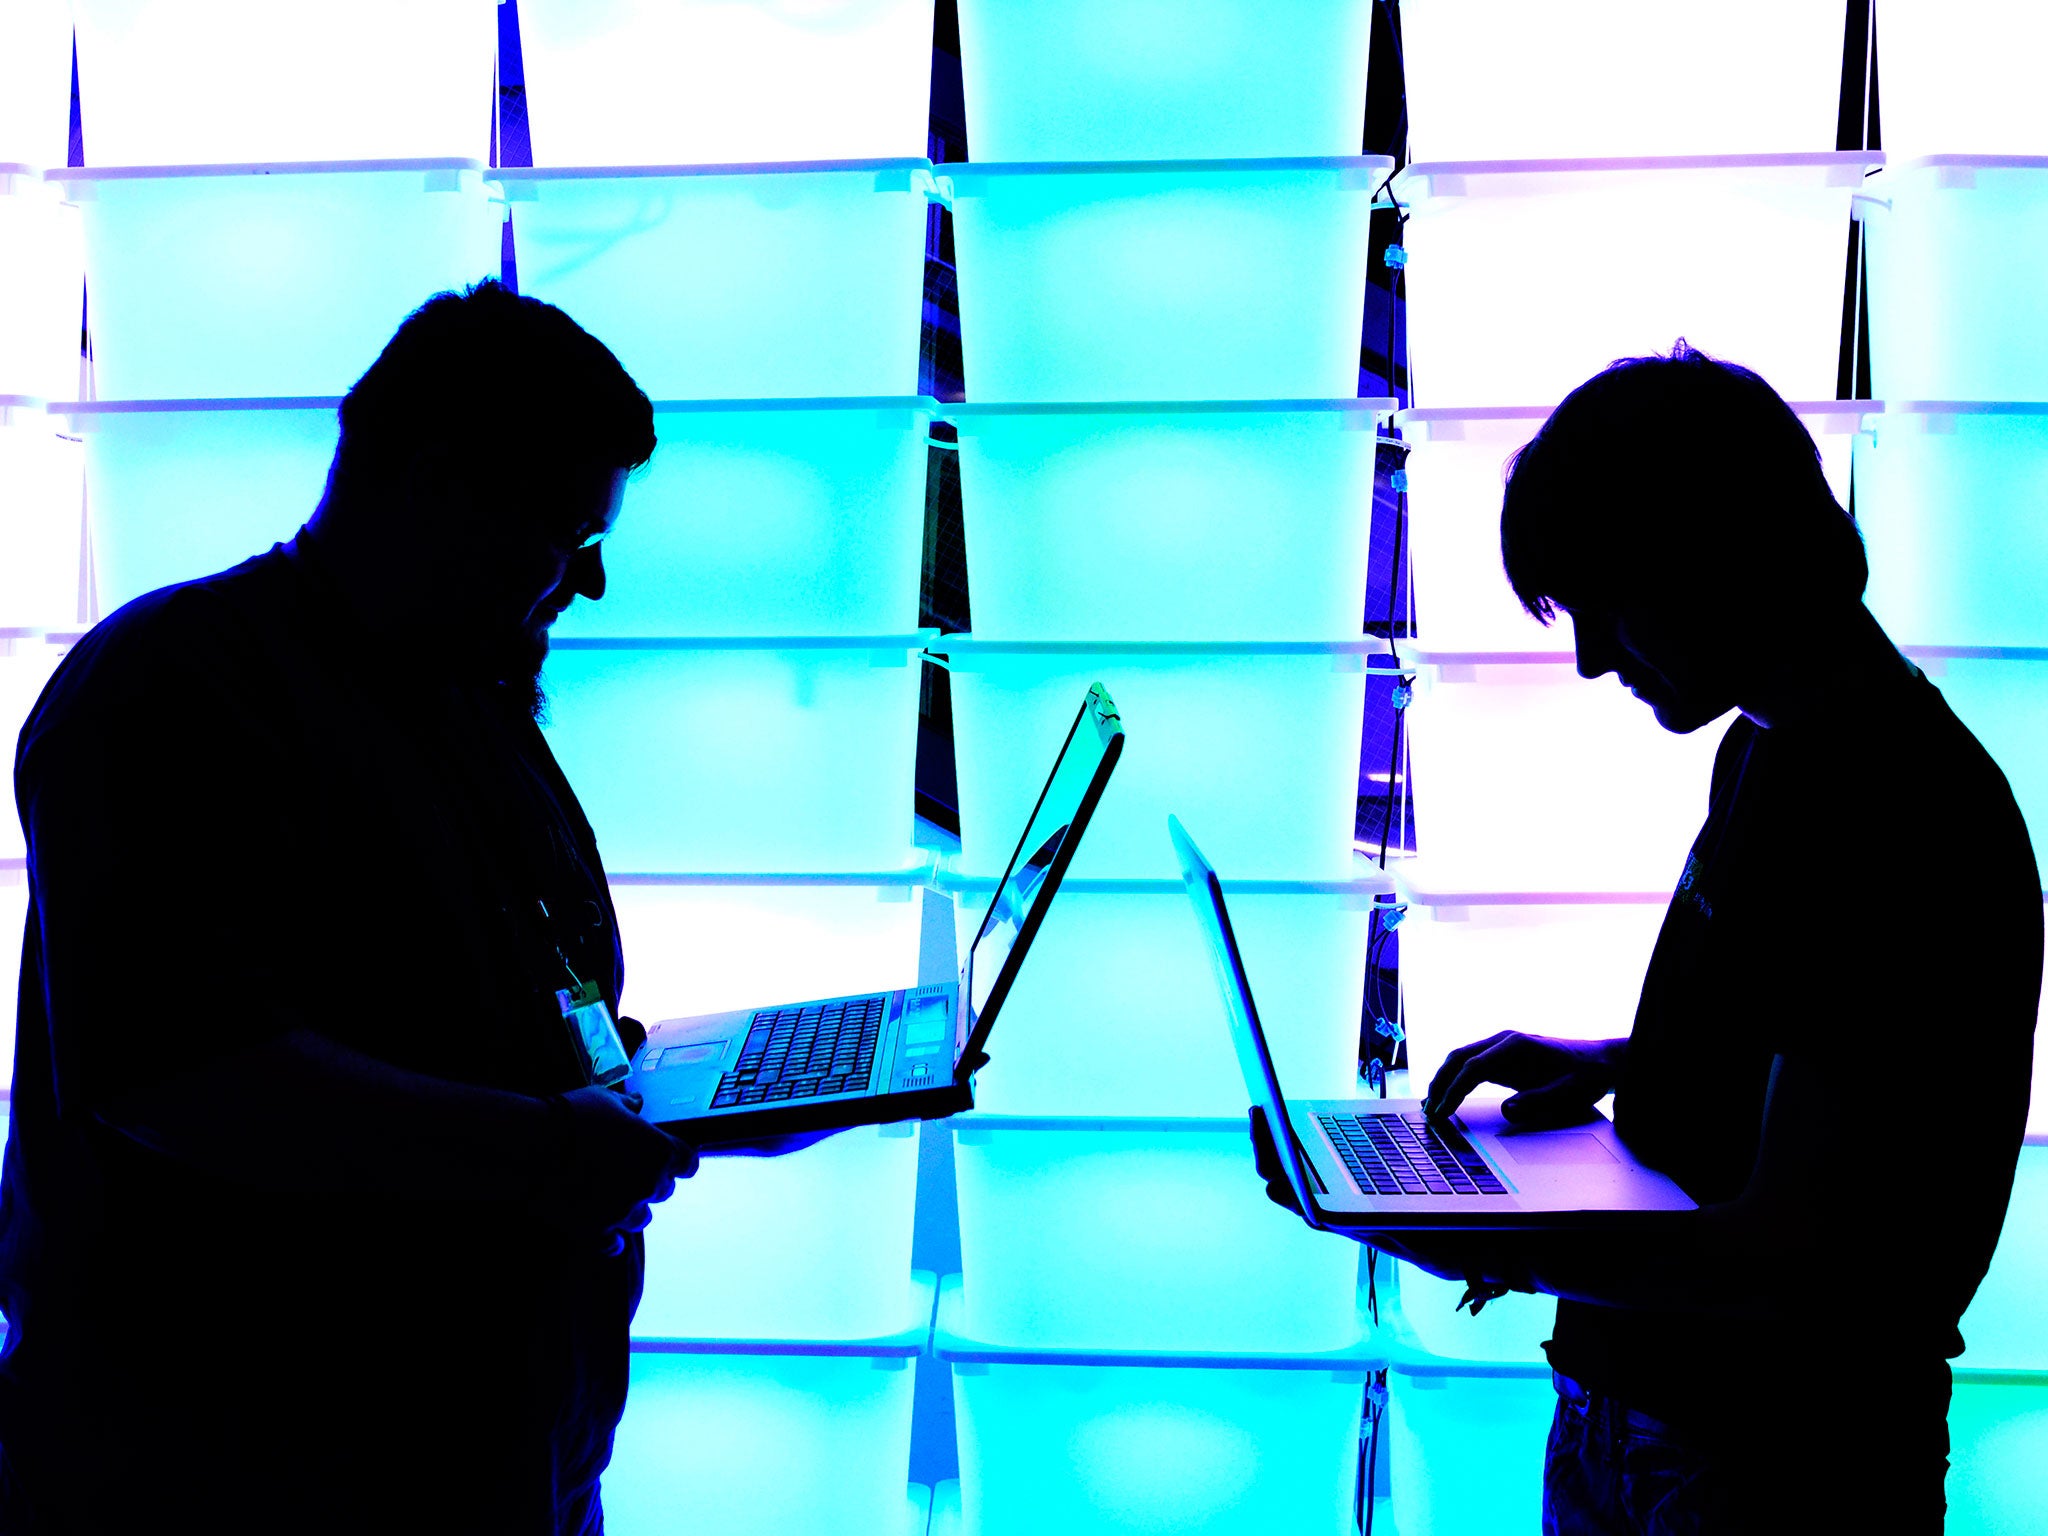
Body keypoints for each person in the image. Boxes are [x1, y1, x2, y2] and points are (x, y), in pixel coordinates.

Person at [0, 281, 804, 1534]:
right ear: (439, 488)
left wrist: (659, 1089)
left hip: (484, 1451)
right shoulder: (169, 689)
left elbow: (496, 997)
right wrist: (549, 1152)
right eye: (564, 537)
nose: (583, 587)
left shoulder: (460, 695)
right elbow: (185, 1074)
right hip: (248, 1475)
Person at [1254, 345, 2041, 1532]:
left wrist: (1474, 1240)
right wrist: (1629, 1061)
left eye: (1601, 602)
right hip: (1651, 1425)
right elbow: (1839, 1050)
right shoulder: (1776, 748)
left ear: (1709, 560)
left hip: (1772, 1462)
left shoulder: (1897, 807)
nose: (1586, 656)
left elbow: (1790, 1258)